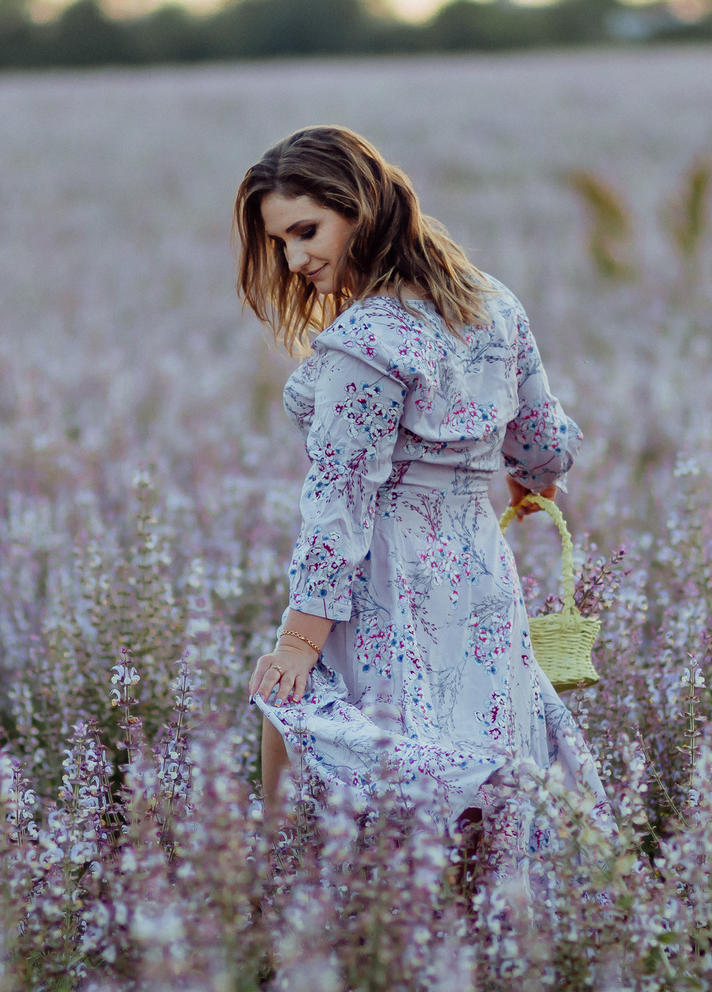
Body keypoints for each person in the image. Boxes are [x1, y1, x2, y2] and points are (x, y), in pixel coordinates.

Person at [236, 125, 604, 852]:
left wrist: (297, 644)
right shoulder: (493, 303)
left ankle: (294, 917)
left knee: (337, 757)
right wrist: (529, 485)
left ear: (360, 207)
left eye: (307, 230)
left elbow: (340, 503)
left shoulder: (366, 342)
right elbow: (545, 443)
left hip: (385, 585)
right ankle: (497, 950)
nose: (295, 257)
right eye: (279, 242)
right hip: (481, 582)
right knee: (485, 781)